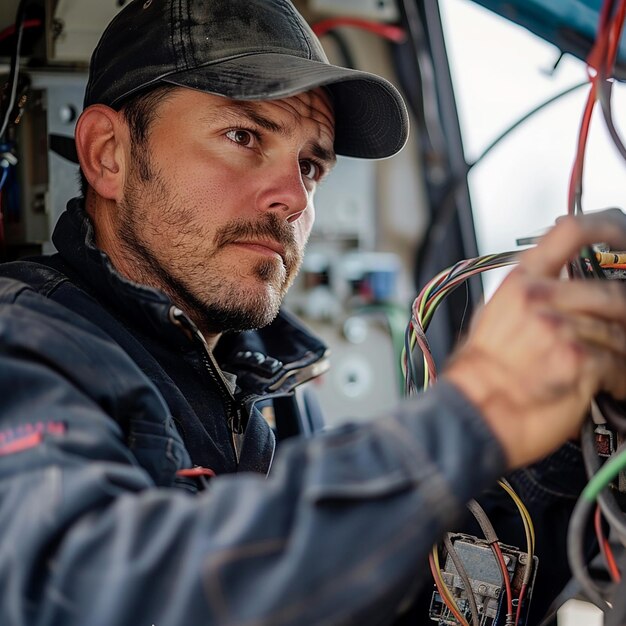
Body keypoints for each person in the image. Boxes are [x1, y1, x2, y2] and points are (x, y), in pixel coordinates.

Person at [0, 0, 626, 624]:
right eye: (243, 136)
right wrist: (471, 414)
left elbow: (406, 602)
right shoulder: (24, 340)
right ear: (108, 153)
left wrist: (584, 437)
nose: (293, 198)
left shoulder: (267, 391)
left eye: (310, 165)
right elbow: (93, 594)